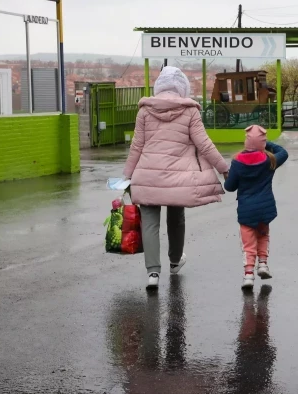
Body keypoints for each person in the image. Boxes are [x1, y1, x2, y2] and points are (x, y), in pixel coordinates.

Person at [123, 66, 229, 290]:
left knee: (149, 223)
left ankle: (153, 273)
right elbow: (204, 144)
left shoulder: (144, 111)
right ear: (182, 87)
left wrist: (126, 177)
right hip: (179, 177)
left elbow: (136, 147)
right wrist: (223, 168)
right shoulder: (190, 111)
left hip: (147, 174)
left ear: (159, 85)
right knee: (176, 218)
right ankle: (174, 261)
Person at [224, 125, 288, 290]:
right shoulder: (269, 160)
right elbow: (283, 152)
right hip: (265, 210)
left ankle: (248, 275)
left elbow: (230, 187)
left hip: (246, 211)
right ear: (262, 143)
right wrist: (266, 145)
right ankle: (263, 265)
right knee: (263, 236)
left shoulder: (237, 162)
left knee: (248, 243)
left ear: (246, 142)